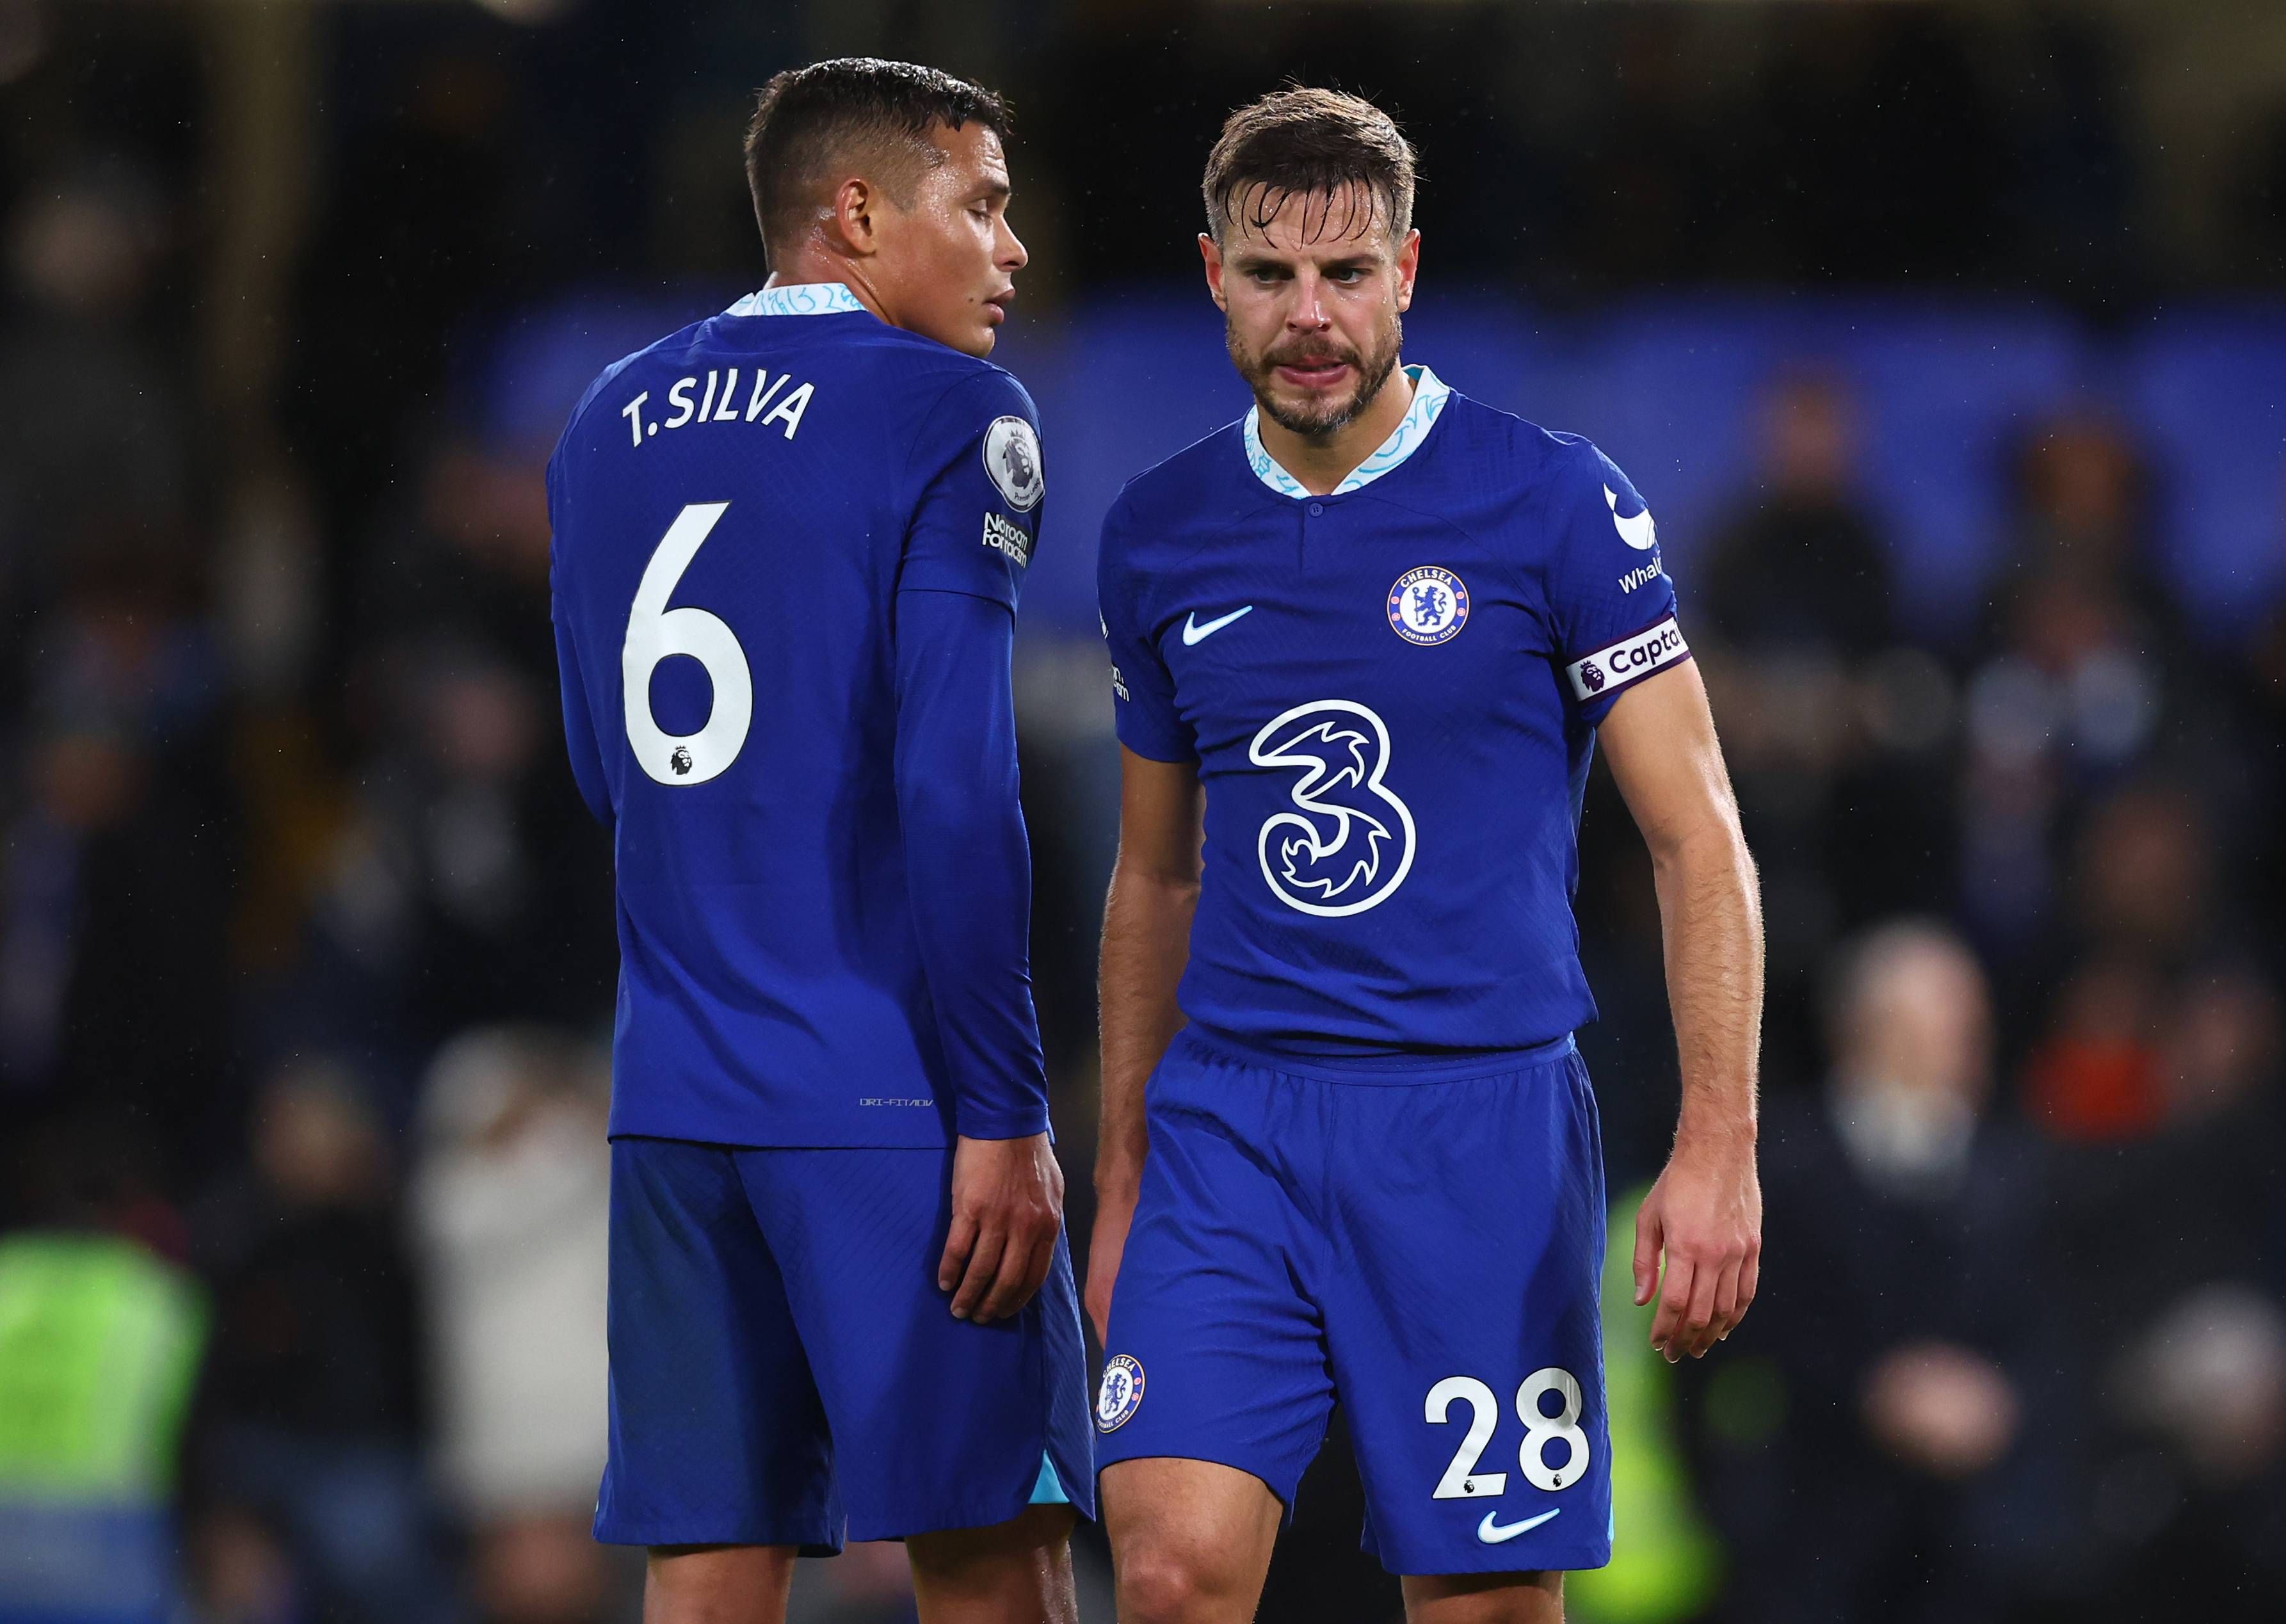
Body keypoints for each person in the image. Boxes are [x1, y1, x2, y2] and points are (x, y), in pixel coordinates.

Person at [1088, 88, 1765, 1624]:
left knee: (1478, 1608)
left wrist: (1716, 1143)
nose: (1309, 316)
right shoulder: (1159, 533)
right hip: (1232, 1127)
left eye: (1346, 275)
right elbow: (1157, 879)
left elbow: (1695, 834)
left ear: (1409, 270)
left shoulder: (1553, 502)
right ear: (1214, 275)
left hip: (1476, 1127)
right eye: (1270, 277)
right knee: (1172, 1572)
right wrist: (1123, 1171)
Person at [546, 58, 1090, 1624]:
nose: (1014, 250)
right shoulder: (953, 414)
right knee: (995, 1561)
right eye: (981, 206)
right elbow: (954, 795)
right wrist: (999, 1112)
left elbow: (605, 766)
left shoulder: (607, 414)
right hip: (888, 1100)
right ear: (855, 211)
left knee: (708, 1569)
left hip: (671, 1093)